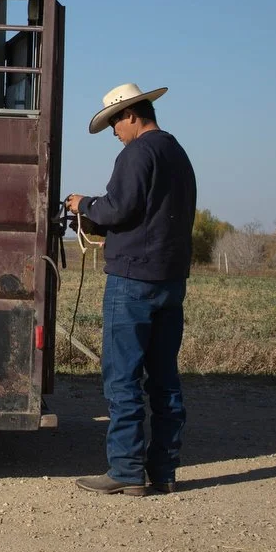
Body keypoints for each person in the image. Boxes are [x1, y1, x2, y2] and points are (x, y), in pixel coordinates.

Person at [64, 82, 196, 497]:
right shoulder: (176, 152)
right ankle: (163, 471)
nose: (114, 133)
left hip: (132, 280)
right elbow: (147, 212)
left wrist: (83, 206)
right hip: (170, 279)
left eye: (114, 124)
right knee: (164, 379)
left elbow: (118, 208)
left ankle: (124, 469)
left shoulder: (137, 152)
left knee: (122, 378)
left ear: (131, 115)